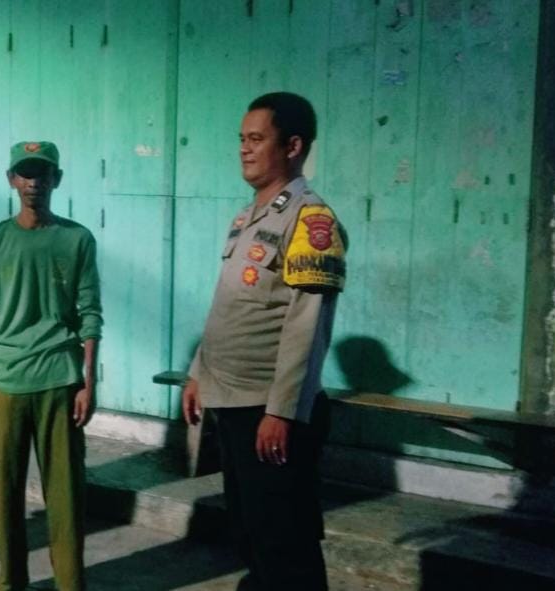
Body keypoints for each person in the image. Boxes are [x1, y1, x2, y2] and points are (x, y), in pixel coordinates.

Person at [181, 92, 346, 591]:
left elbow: (307, 326)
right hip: (234, 402)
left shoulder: (311, 221)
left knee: (285, 543)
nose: (244, 149)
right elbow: (228, 304)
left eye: (256, 139)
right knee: (251, 532)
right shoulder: (249, 216)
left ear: (292, 146)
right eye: (242, 139)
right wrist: (198, 372)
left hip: (267, 411)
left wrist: (282, 413)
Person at [0, 141, 102, 591]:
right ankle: (11, 582)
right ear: (11, 180)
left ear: (56, 180)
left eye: (42, 174)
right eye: (24, 174)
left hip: (59, 381)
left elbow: (90, 313)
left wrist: (89, 382)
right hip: (3, 382)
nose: (33, 183)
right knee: (4, 493)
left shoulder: (77, 239)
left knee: (65, 495)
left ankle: (70, 583)